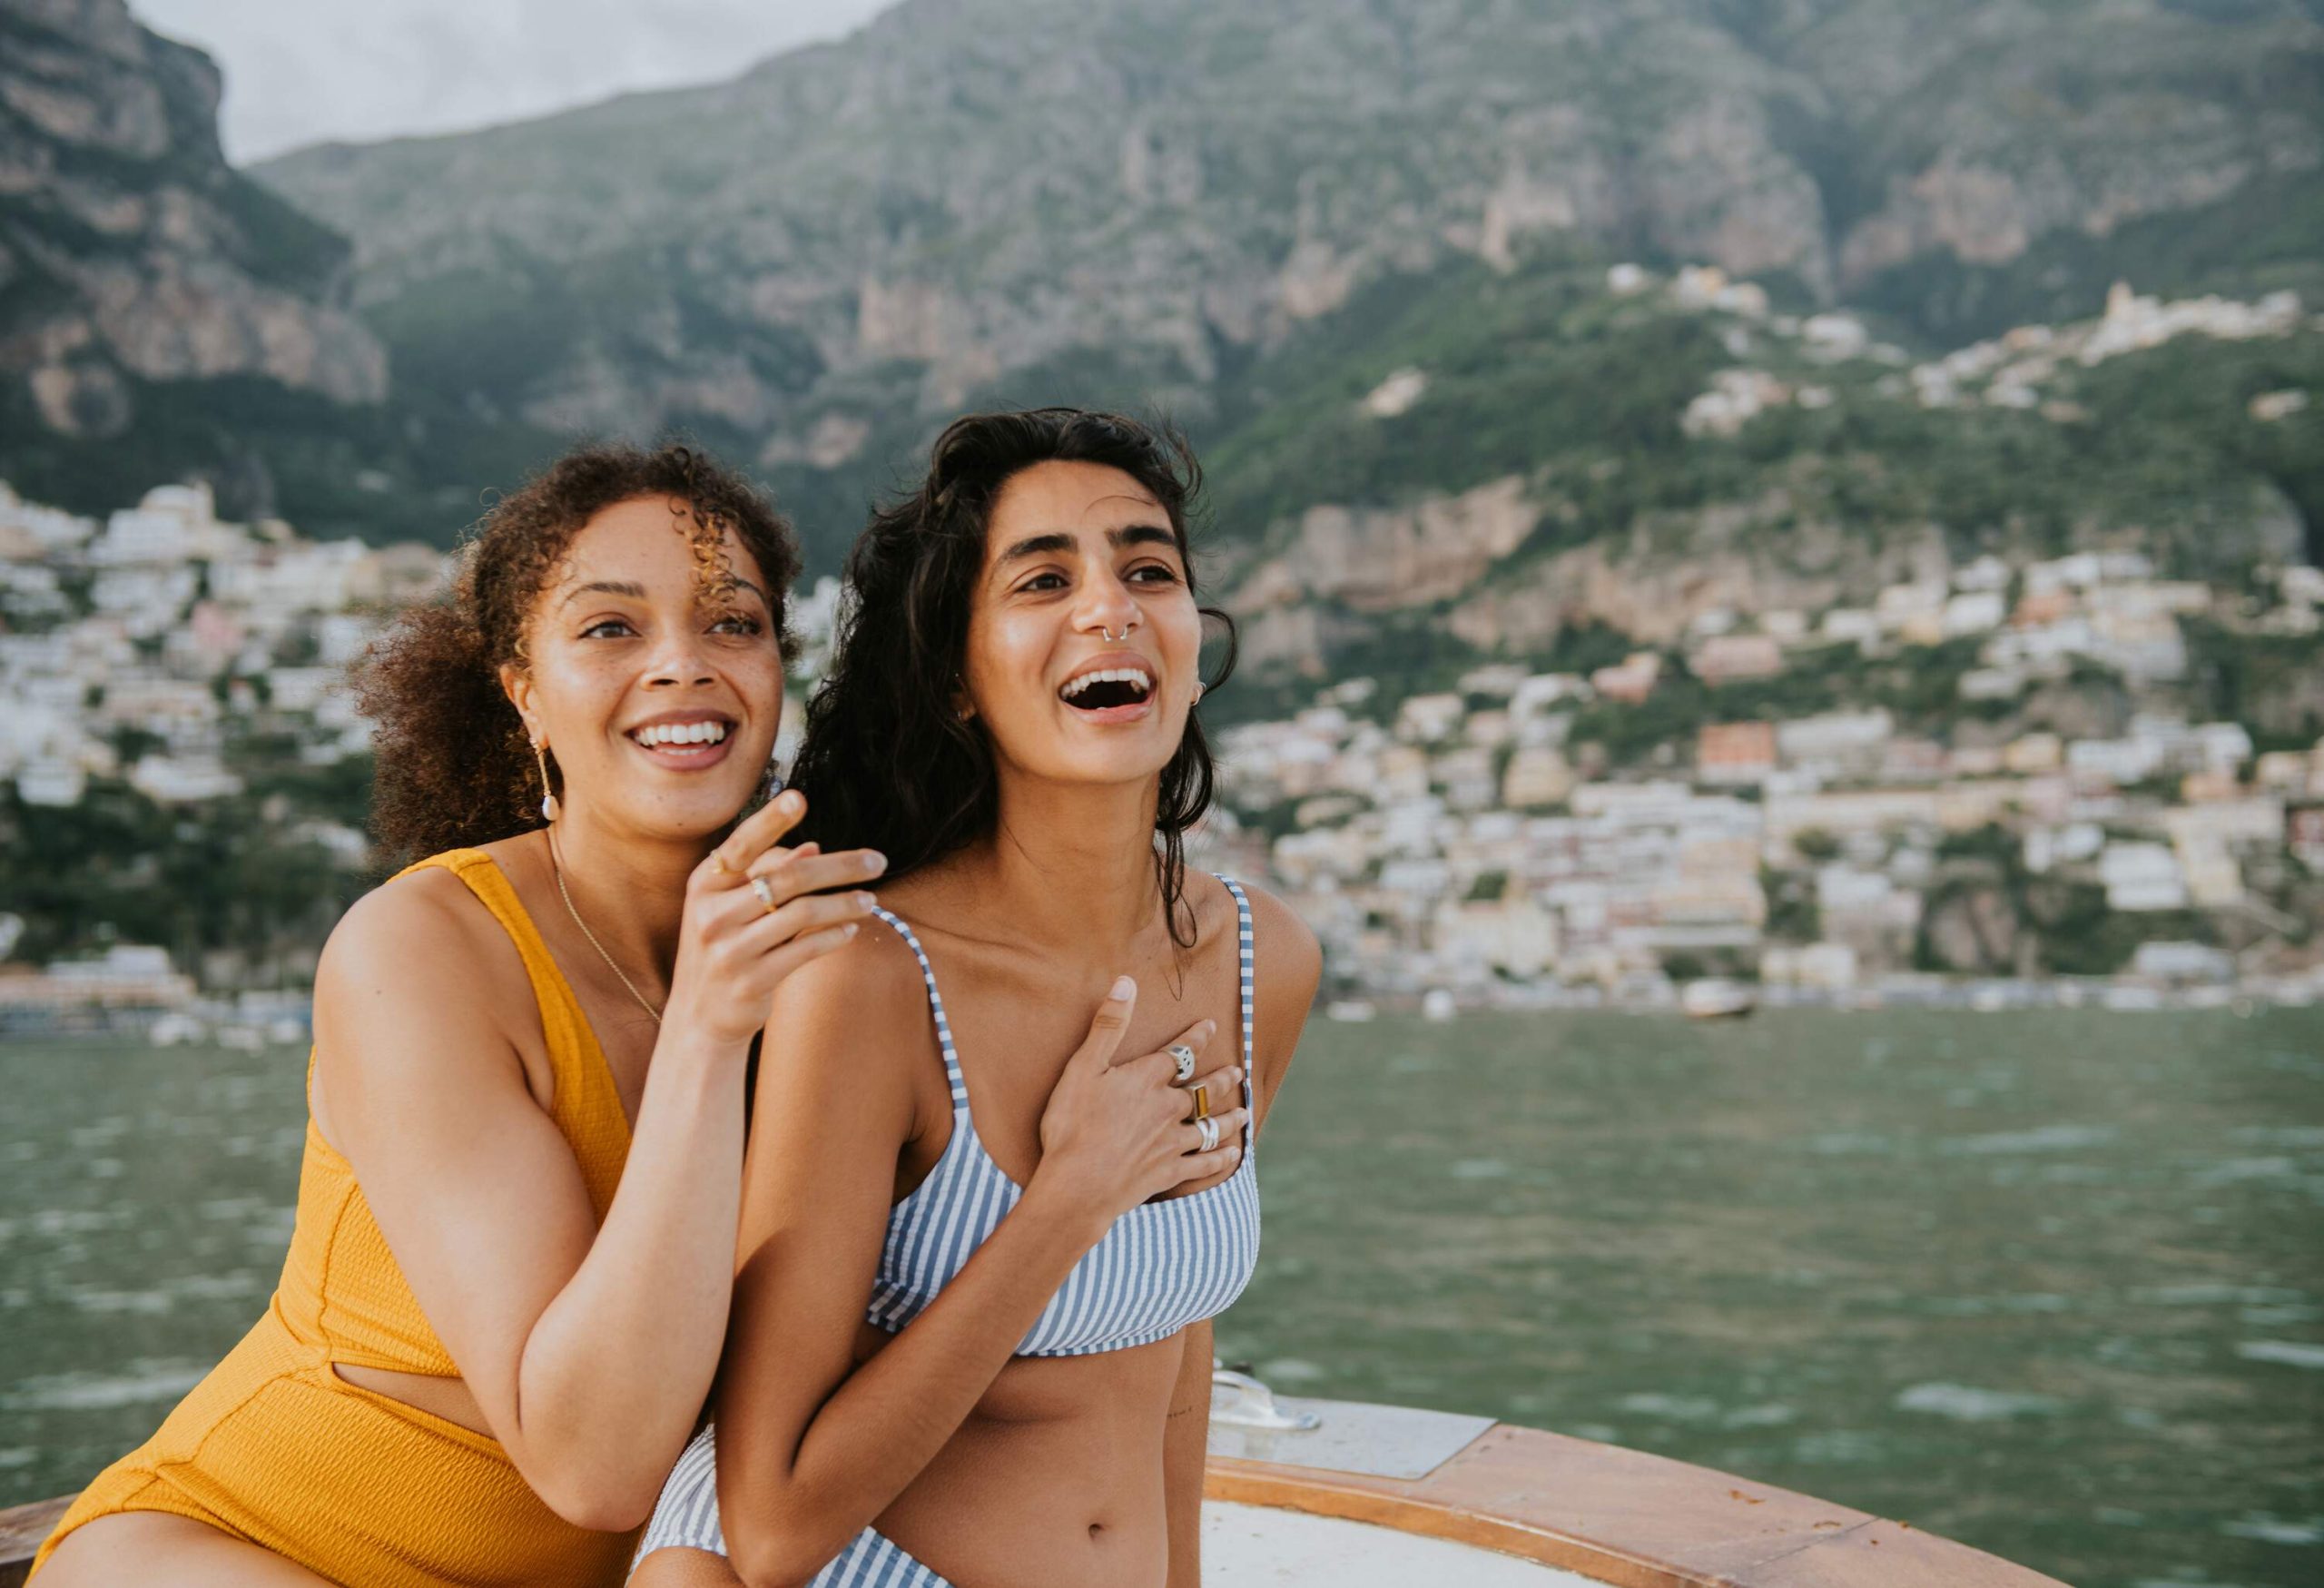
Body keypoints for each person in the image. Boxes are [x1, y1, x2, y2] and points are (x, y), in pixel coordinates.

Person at [35, 443, 881, 1584]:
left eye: (732, 623)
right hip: (248, 1545)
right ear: (521, 689)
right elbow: (594, 1467)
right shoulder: (420, 952)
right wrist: (706, 1033)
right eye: (609, 629)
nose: (683, 663)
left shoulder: (832, 953)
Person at [630, 409, 1322, 1588]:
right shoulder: (870, 982)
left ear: (1191, 645)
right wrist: (1068, 1200)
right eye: (1044, 578)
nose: (1110, 605)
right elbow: (774, 1521)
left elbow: (1176, 1350)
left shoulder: (1259, 955)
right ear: (956, 673)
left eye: (1147, 568)